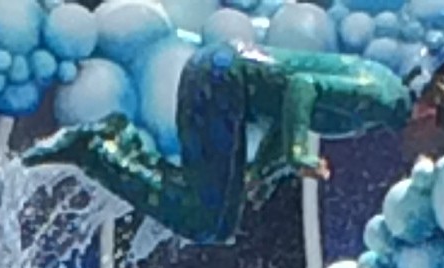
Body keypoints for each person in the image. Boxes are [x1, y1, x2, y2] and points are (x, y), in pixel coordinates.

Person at [21, 42, 414, 243]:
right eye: (440, 147)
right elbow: (301, 86)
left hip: (223, 78)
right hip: (221, 82)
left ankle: (118, 145)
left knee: (214, 220)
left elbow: (286, 105)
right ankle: (99, 151)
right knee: (207, 222)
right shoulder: (380, 97)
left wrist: (262, 170)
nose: (427, 159)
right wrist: (296, 152)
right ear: (431, 115)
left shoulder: (382, 93)